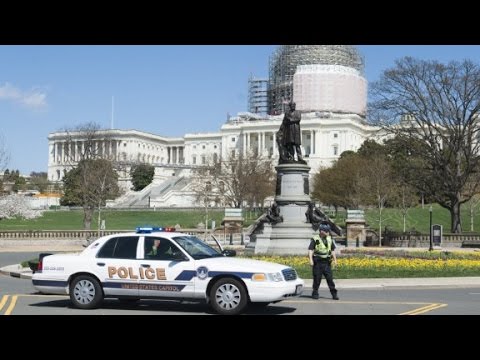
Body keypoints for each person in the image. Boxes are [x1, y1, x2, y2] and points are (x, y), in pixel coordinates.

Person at [308, 223, 339, 300]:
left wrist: (335, 260)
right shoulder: (315, 239)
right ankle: (315, 292)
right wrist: (311, 260)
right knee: (317, 279)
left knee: (330, 279)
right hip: (318, 262)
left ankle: (334, 294)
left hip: (326, 263)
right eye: (326, 231)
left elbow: (332, 250)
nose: (328, 232)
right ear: (321, 231)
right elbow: (310, 250)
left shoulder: (329, 239)